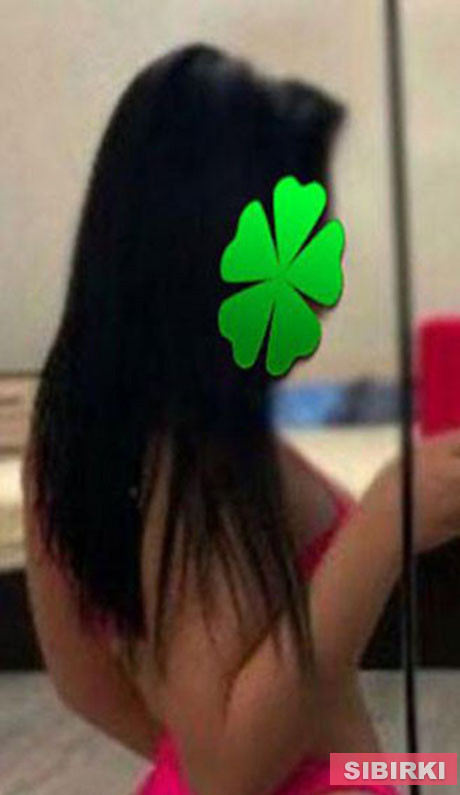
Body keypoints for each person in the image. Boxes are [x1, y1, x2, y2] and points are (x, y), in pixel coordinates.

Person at [22, 43, 460, 795]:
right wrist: (383, 522)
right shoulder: (205, 460)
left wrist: (412, 768)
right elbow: (228, 768)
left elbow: (83, 682)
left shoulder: (79, 427)